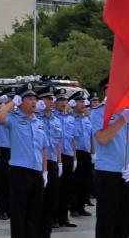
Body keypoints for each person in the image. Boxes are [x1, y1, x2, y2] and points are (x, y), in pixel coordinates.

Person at [0, 82, 49, 238]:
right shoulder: (14, 119)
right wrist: (12, 103)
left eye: (34, 98)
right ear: (21, 101)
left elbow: (44, 147)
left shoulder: (39, 122)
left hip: (37, 172)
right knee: (19, 213)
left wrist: (44, 171)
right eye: (29, 98)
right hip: (20, 172)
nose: (33, 101)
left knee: (34, 214)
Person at [91, 95, 129, 238]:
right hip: (107, 174)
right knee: (107, 221)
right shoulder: (99, 112)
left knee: (125, 221)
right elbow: (102, 138)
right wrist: (121, 120)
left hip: (127, 174)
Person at [37, 85, 62, 238]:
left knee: (50, 201)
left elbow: (58, 143)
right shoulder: (34, 118)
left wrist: (59, 163)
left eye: (52, 98)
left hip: (52, 162)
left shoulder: (56, 120)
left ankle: (46, 232)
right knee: (37, 202)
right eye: (47, 98)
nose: (51, 101)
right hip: (37, 164)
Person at [53, 87, 77, 228]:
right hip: (56, 156)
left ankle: (64, 217)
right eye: (60, 100)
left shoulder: (70, 118)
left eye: (65, 100)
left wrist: (74, 157)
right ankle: (54, 218)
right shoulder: (52, 117)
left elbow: (72, 138)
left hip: (68, 154)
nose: (63, 103)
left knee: (67, 188)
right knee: (56, 189)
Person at [0, 89, 13, 222]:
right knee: (2, 182)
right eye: (9, 99)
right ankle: (2, 209)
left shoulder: (17, 114)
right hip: (2, 149)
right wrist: (1, 100)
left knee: (13, 182)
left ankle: (11, 208)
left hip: (15, 150)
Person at [71, 92, 93, 217]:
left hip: (86, 152)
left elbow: (91, 136)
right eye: (78, 102)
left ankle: (81, 206)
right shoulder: (71, 118)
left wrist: (93, 153)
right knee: (75, 181)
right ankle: (73, 207)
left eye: (82, 102)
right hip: (76, 152)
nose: (82, 104)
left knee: (86, 181)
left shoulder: (86, 119)